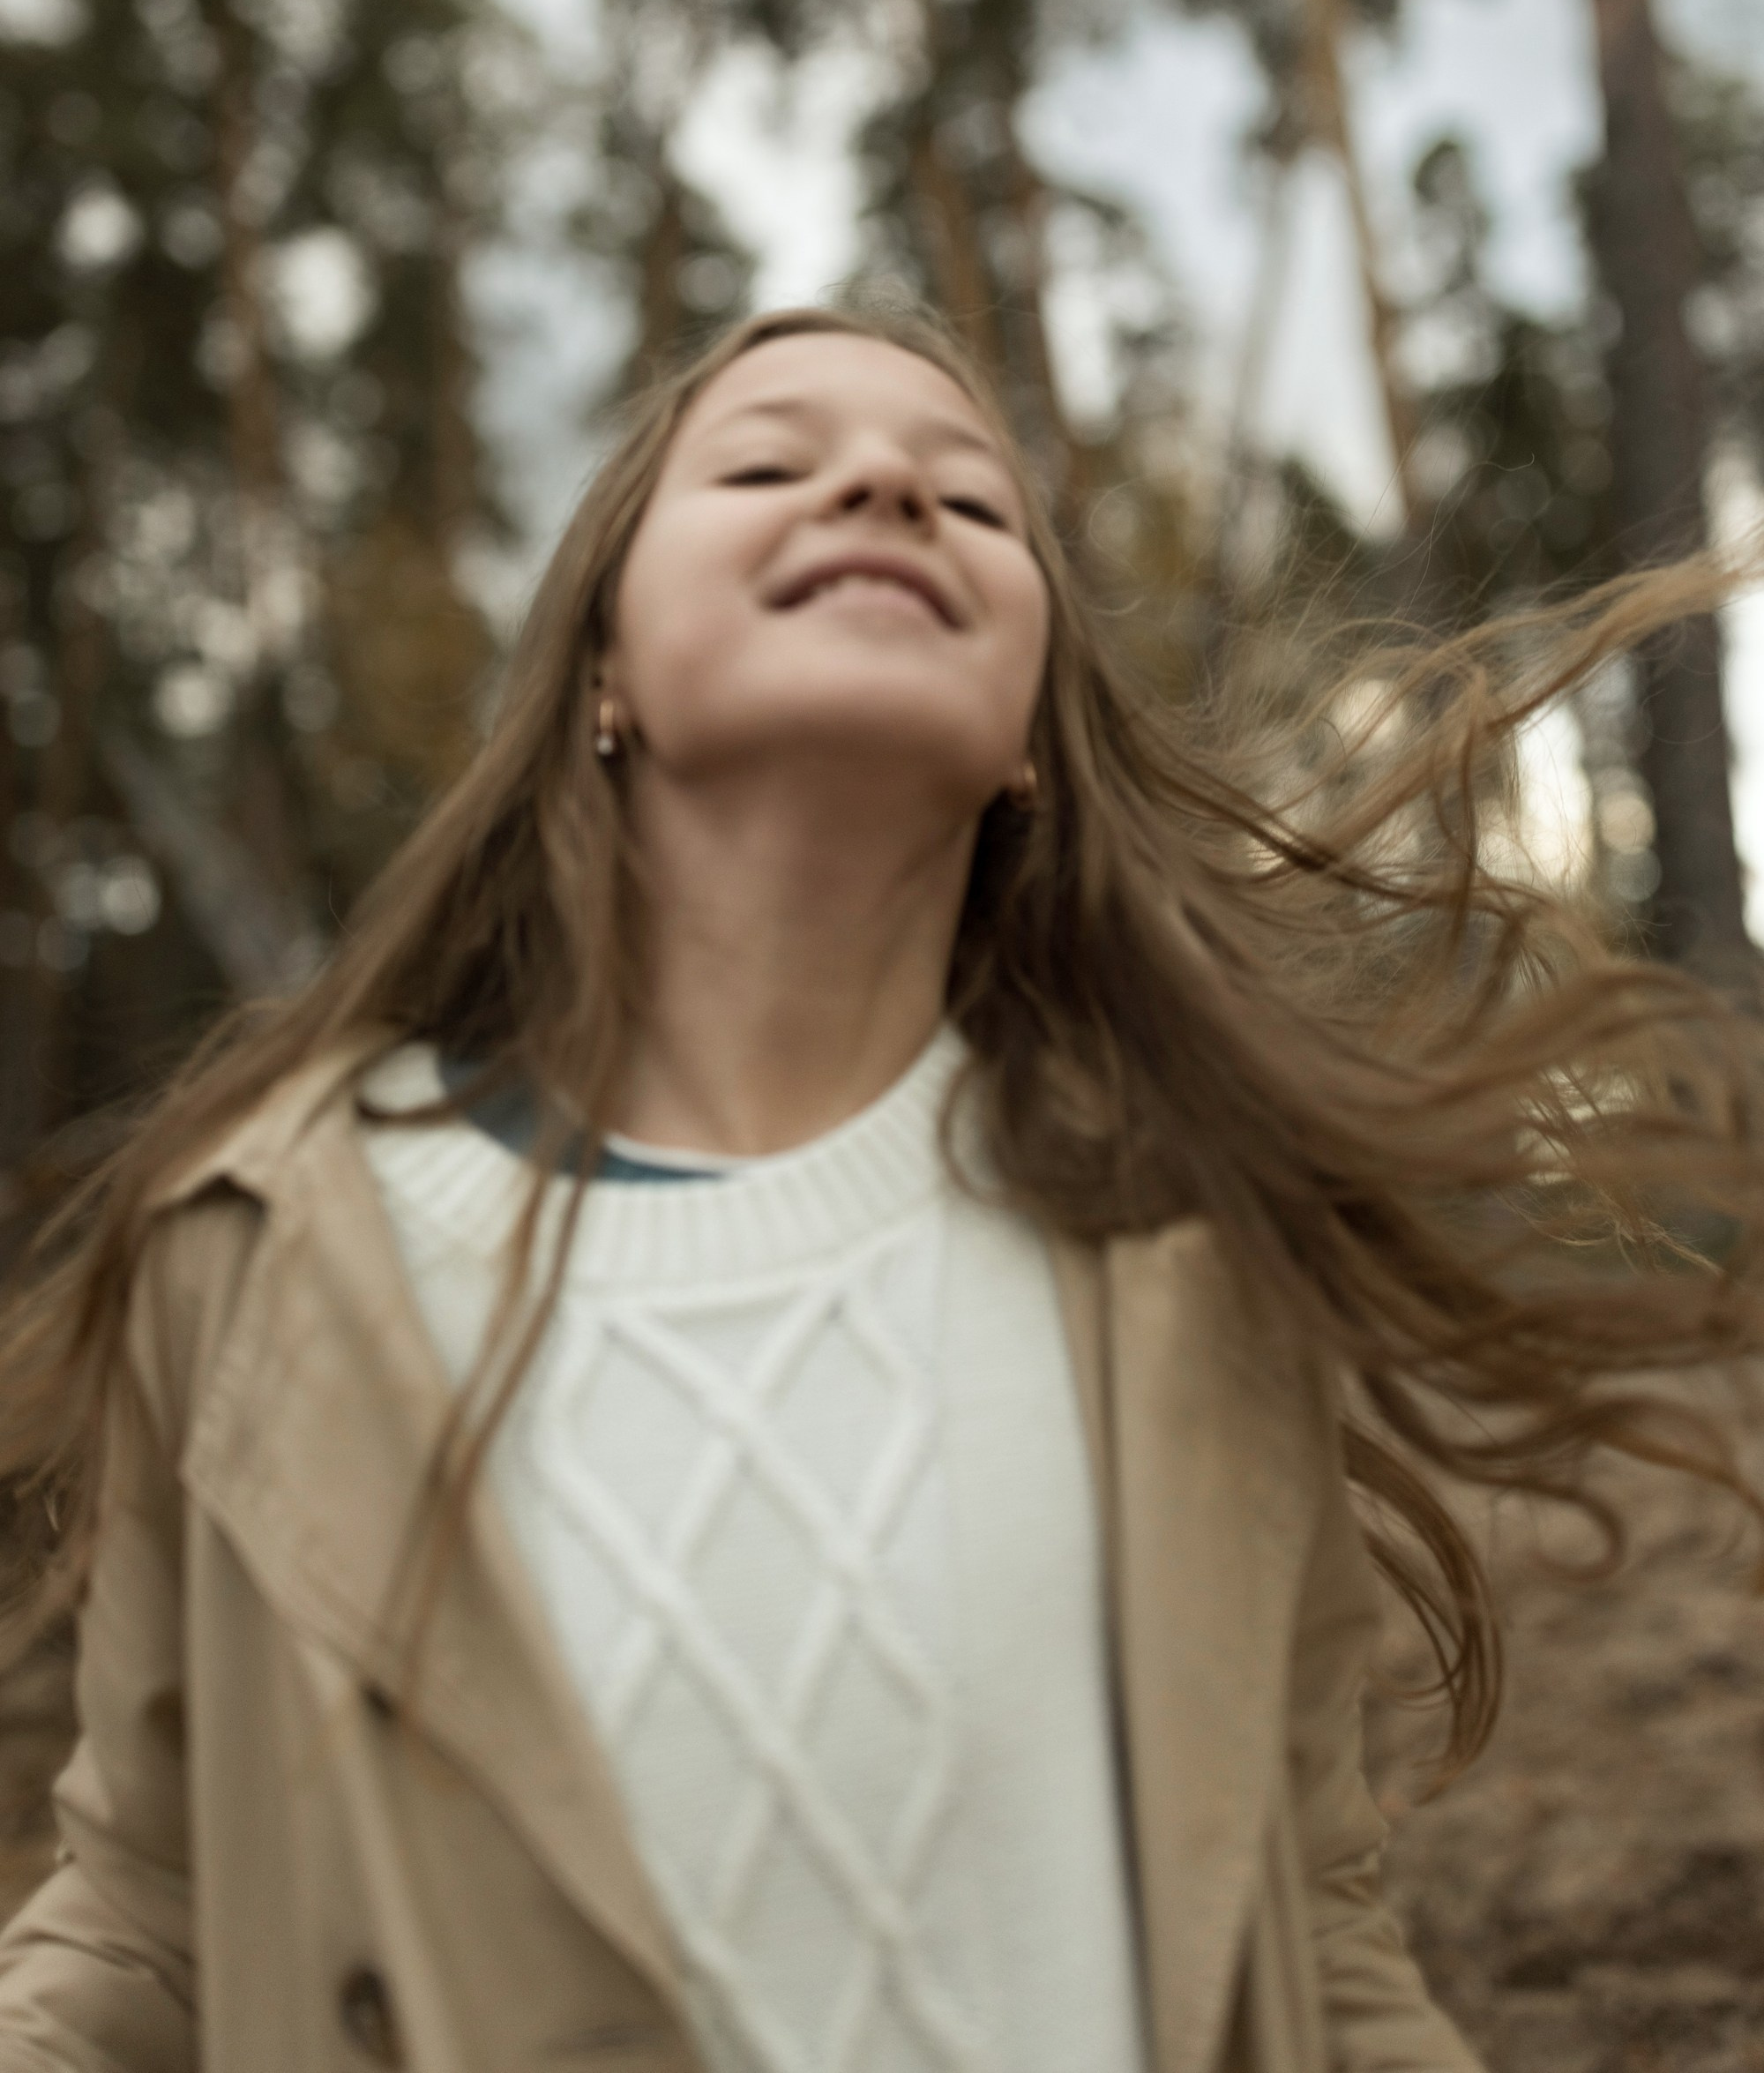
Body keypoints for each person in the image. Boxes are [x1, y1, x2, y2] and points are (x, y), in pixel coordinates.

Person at [0, 296, 1758, 2073]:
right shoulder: (265, 1253)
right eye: (767, 464)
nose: (882, 494)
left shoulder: (1184, 1260)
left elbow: (1304, 1930)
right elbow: (145, 1922)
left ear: (1023, 743)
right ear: (598, 674)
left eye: (970, 501)